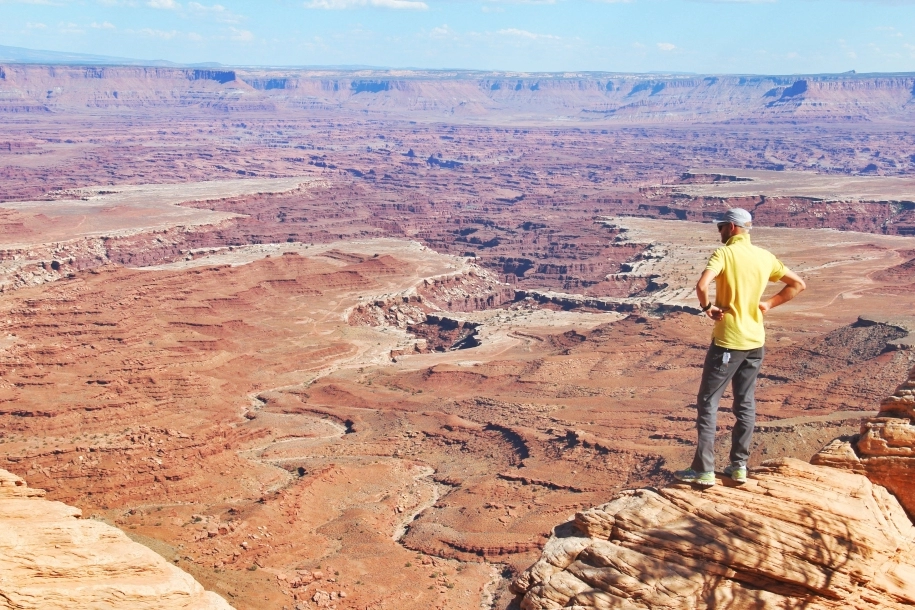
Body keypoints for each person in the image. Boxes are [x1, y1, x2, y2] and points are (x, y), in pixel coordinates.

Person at [674, 208, 805, 487]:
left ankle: (705, 470)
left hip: (728, 342)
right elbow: (798, 284)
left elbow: (702, 285)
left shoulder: (724, 254)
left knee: (708, 403)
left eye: (720, 226)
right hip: (755, 341)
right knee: (745, 403)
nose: (718, 231)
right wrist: (768, 304)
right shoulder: (764, 257)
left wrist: (707, 308)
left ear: (732, 227)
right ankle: (739, 467)